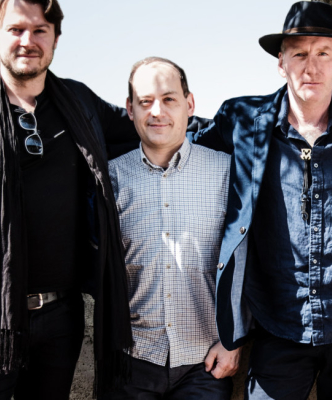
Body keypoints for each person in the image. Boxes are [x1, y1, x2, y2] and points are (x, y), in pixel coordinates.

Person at [0, 0, 137, 398]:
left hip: (61, 319)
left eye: (39, 30)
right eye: (15, 29)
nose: (27, 41)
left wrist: (239, 125)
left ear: (55, 38)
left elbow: (153, 126)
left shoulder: (79, 103)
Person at [192, 3, 332, 399]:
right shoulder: (242, 119)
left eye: (323, 53)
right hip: (276, 325)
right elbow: (181, 147)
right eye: (299, 54)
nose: (310, 67)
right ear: (281, 63)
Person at [104, 57, 239, 400]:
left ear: (189, 104)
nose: (157, 111)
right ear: (130, 109)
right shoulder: (109, 178)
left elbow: (250, 261)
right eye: (145, 101)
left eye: (169, 99)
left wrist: (233, 340)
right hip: (131, 361)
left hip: (205, 364)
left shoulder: (227, 172)